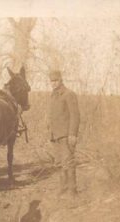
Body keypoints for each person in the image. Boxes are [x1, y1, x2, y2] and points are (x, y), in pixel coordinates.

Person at [48, 69, 81, 198]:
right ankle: (63, 188)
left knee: (69, 162)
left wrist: (73, 134)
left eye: (56, 81)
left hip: (66, 135)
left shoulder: (69, 94)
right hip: (56, 135)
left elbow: (75, 115)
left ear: (61, 80)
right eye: (51, 81)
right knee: (61, 163)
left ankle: (73, 191)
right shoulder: (54, 95)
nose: (54, 83)